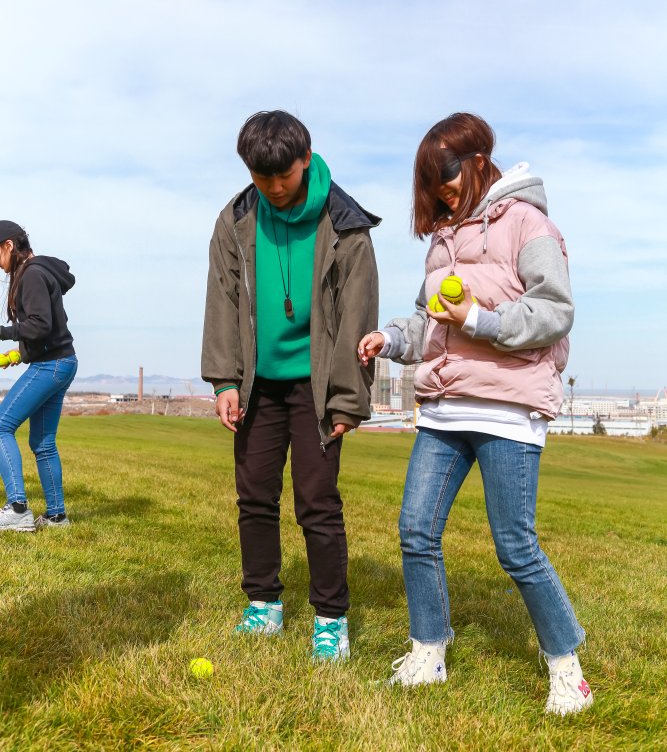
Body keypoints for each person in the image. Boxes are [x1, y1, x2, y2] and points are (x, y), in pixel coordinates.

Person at [358, 112, 593, 715]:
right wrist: (391, 339)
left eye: (447, 175)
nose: (441, 190)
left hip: (508, 409)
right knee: (416, 531)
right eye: (430, 182)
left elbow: (554, 311)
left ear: (479, 160)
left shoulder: (529, 223)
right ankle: (428, 652)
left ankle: (567, 668)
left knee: (515, 546)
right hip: (445, 407)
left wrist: (480, 320)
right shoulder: (443, 238)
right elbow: (428, 322)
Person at [201, 111, 379, 661]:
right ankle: (263, 604)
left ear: (306, 158)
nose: (275, 187)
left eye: (284, 175)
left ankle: (330, 618)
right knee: (254, 495)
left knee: (316, 501)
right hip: (257, 386)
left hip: (316, 387)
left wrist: (347, 398)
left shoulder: (345, 224)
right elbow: (223, 301)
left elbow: (357, 316)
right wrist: (225, 381)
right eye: (262, 176)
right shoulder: (234, 219)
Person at [0, 221, 78, 532]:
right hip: (61, 362)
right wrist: (18, 354)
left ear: (8, 246)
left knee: (1, 426)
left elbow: (40, 325)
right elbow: (48, 329)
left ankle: (18, 509)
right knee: (43, 442)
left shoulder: (31, 274)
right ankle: (57, 517)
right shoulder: (38, 270)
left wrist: (2, 332)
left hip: (51, 366)